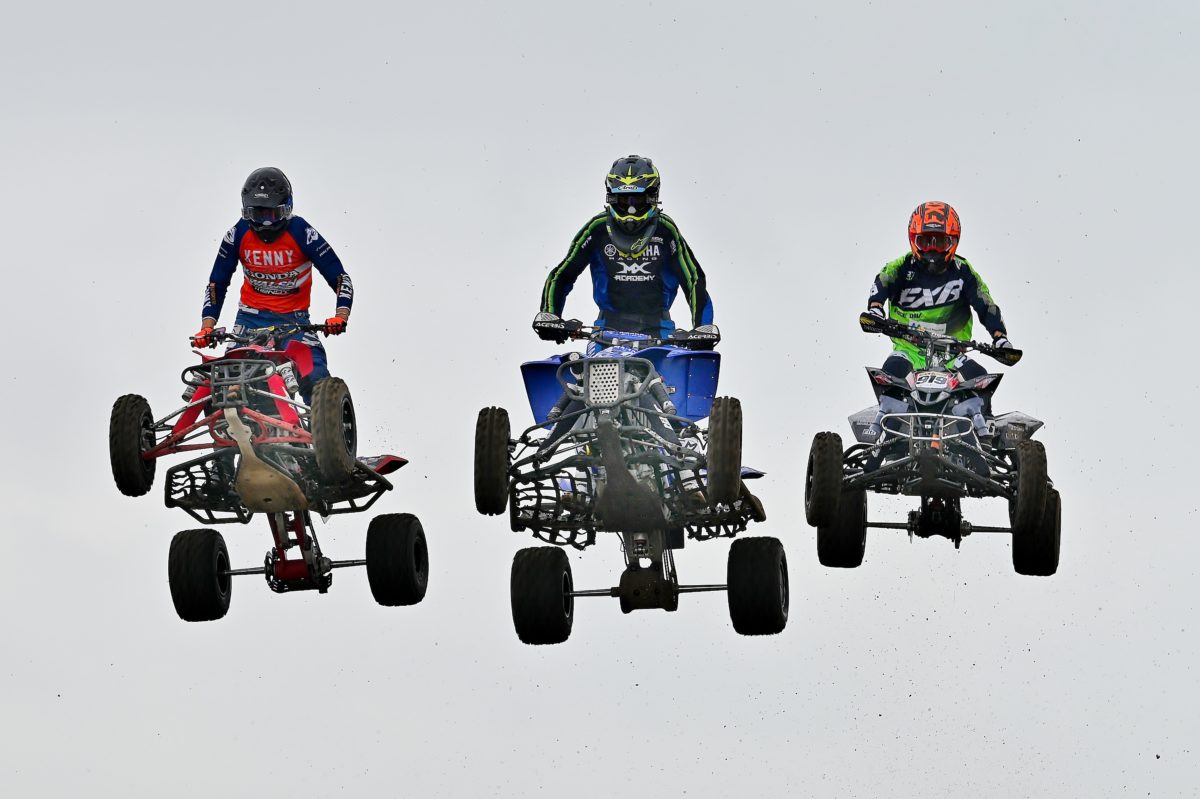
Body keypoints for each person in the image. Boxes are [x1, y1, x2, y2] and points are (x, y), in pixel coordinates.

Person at [193, 167, 353, 401]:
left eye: (272, 214)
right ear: (246, 211)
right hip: (248, 320)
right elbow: (217, 282)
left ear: (286, 209)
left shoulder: (303, 233)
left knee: (315, 376)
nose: (266, 222)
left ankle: (322, 420)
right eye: (258, 214)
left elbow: (340, 278)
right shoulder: (236, 234)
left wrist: (340, 316)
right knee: (225, 378)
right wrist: (207, 327)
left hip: (294, 322)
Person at [532, 155, 717, 345]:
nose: (630, 209)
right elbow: (562, 275)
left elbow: (693, 279)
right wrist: (550, 315)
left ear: (652, 196)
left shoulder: (666, 230)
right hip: (604, 333)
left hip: (660, 334)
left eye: (637, 200)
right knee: (567, 363)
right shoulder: (596, 229)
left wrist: (702, 328)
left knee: (692, 361)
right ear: (611, 197)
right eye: (623, 200)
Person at [866, 201, 1013, 382]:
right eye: (925, 242)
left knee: (980, 379)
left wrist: (999, 337)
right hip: (908, 351)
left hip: (951, 355)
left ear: (954, 241)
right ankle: (889, 399)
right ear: (913, 240)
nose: (932, 250)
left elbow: (985, 304)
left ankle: (973, 402)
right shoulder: (899, 267)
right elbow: (883, 282)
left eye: (941, 242)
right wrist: (875, 309)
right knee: (890, 373)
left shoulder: (963, 271)